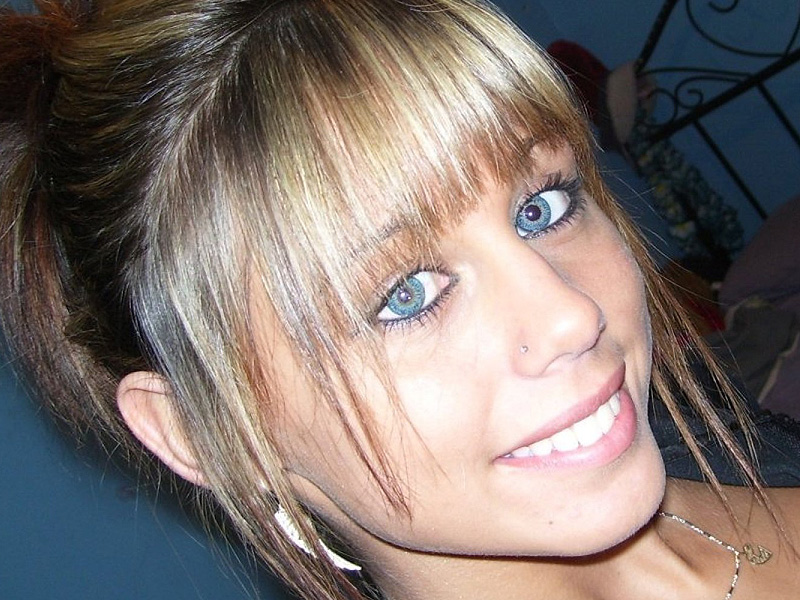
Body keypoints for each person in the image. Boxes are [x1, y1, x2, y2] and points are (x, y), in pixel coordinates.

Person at [1, 1, 799, 599]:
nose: (572, 316)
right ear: (210, 437)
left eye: (541, 207)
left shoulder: (743, 441)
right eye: (406, 294)